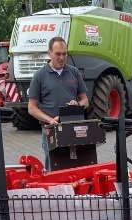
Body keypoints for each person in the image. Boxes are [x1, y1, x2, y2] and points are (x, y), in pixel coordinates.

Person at [27, 36, 89, 165]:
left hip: (73, 129)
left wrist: (77, 105)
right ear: (49, 53)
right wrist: (50, 120)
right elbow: (31, 108)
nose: (61, 57)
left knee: (75, 167)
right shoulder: (39, 75)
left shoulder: (74, 72)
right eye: (58, 54)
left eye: (64, 54)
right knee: (53, 168)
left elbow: (85, 100)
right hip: (51, 130)